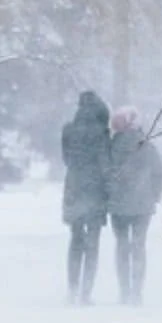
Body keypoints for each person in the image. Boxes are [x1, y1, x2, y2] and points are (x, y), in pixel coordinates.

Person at [107, 106, 162, 305]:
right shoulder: (146, 146)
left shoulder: (112, 147)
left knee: (122, 247)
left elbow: (104, 172)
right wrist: (155, 195)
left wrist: (109, 193)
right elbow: (159, 172)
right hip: (142, 205)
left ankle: (124, 291)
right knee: (139, 247)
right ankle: (137, 292)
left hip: (117, 205)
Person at [61, 90, 111, 306]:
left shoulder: (68, 130)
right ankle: (85, 293)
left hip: (73, 188)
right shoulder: (101, 133)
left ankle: (72, 289)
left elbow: (66, 158)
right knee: (92, 244)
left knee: (75, 240)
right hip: (94, 190)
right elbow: (105, 164)